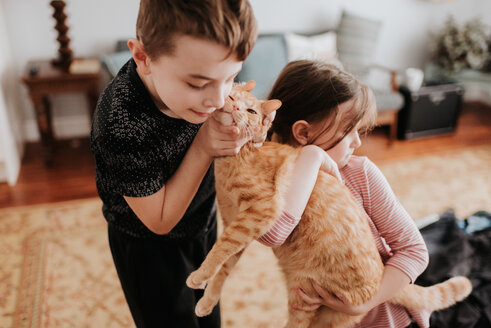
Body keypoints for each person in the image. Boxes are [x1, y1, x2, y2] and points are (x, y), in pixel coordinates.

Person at [90, 1, 339, 327]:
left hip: (203, 219)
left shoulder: (208, 89)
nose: (219, 99)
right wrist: (203, 147)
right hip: (148, 247)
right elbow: (160, 221)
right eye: (198, 84)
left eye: (231, 77)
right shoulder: (120, 122)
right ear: (143, 57)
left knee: (207, 314)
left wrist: (254, 130)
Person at [258, 60, 430, 328]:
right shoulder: (273, 183)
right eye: (348, 131)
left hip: (384, 317)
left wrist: (364, 303)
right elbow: (274, 233)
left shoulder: (360, 174)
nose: (358, 142)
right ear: (303, 132)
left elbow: (414, 251)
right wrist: (311, 159)